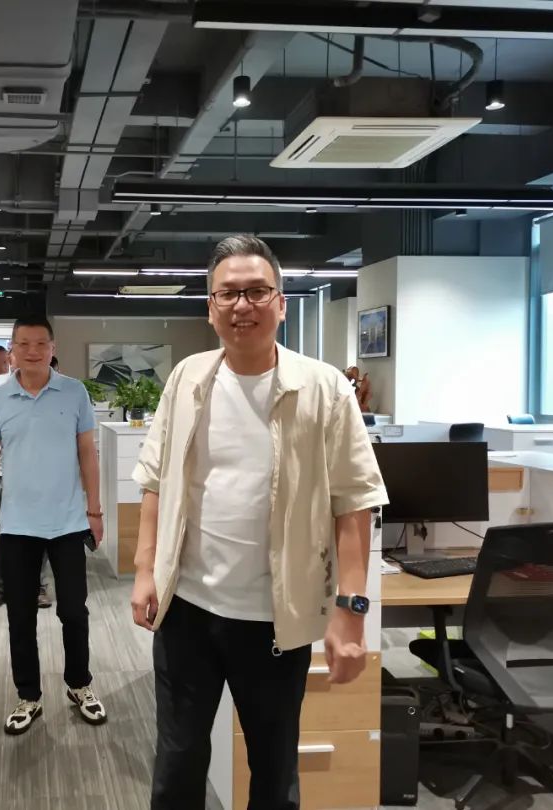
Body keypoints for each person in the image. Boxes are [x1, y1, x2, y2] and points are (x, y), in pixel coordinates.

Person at [130, 235, 388, 810]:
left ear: (282, 304)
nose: (241, 305)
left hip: (275, 619)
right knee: (176, 766)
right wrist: (146, 571)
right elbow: (155, 480)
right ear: (210, 307)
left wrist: (351, 611)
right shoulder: (187, 379)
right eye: (227, 294)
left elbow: (355, 502)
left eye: (256, 292)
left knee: (273, 773)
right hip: (187, 610)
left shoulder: (324, 387)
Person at [0, 315, 107, 735]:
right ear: (12, 349)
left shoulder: (75, 391)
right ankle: (28, 695)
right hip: (16, 524)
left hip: (67, 522)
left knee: (74, 611)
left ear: (53, 347)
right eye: (24, 344)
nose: (32, 351)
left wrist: (95, 511)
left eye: (40, 344)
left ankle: (79, 684)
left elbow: (87, 453)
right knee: (21, 616)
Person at [0, 348, 52, 610]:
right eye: (20, 349)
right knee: (0, 534)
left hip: (38, 476)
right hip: (3, 475)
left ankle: (38, 585)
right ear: (11, 357)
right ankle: (1, 586)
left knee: (40, 532)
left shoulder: (52, 389)